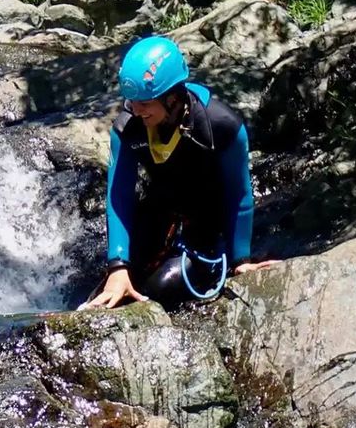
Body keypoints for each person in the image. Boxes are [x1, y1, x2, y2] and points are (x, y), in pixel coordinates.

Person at [83, 36, 278, 310]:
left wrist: (240, 261)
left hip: (210, 224)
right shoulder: (127, 127)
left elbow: (240, 195)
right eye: (131, 101)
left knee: (158, 289)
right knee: (104, 296)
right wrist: (118, 266)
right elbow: (119, 196)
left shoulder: (221, 126)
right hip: (161, 210)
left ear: (173, 98)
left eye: (145, 103)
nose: (135, 110)